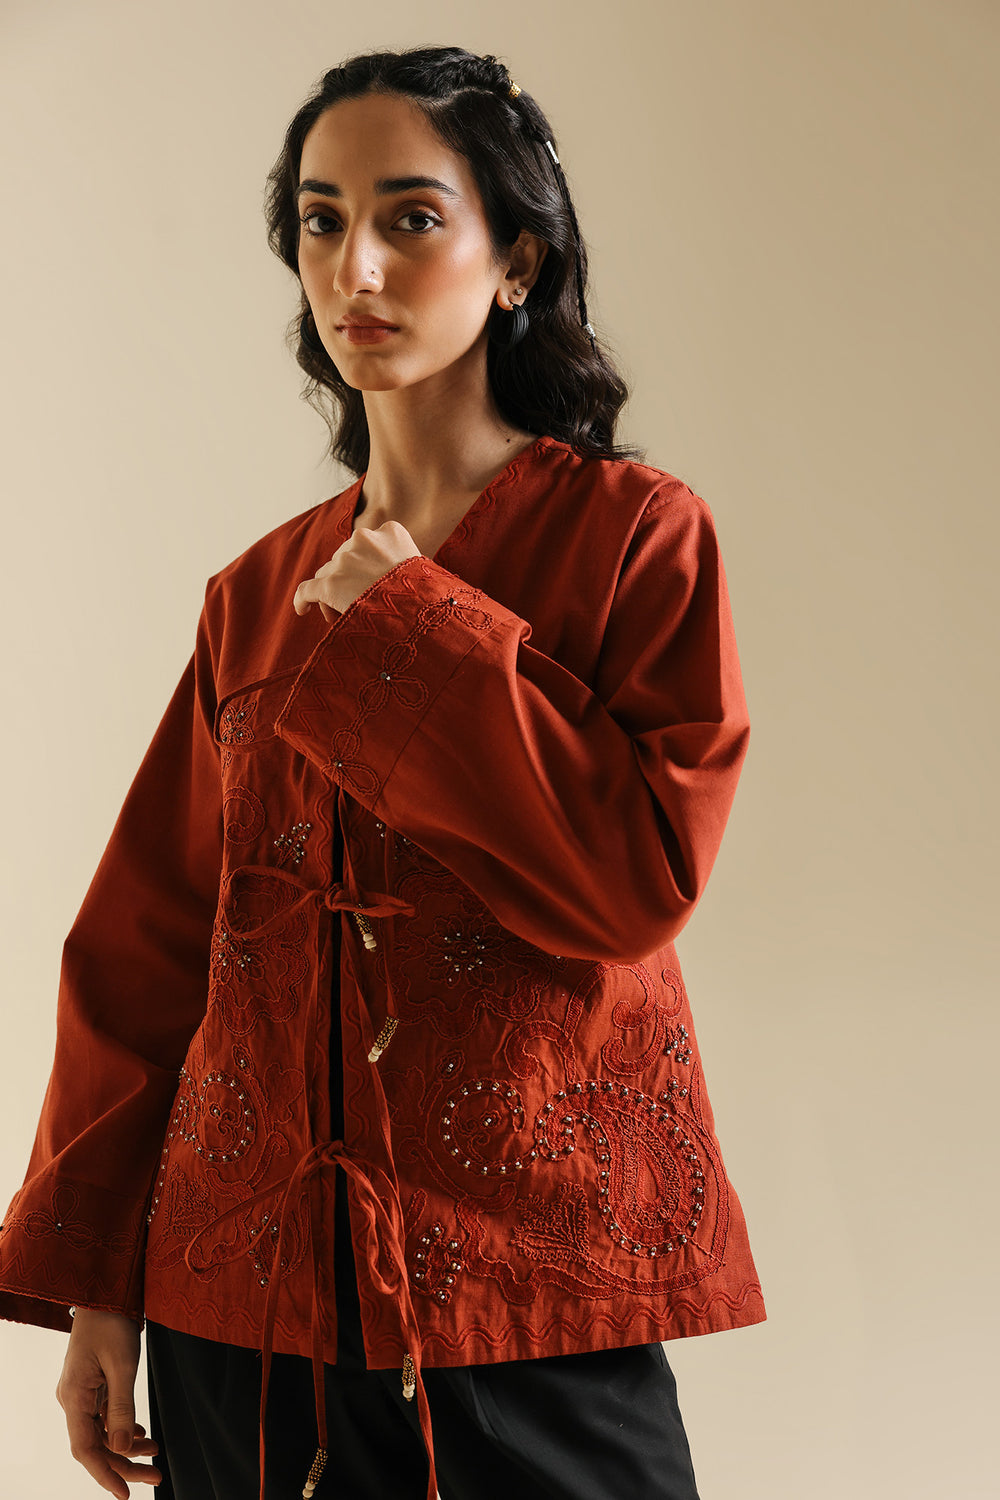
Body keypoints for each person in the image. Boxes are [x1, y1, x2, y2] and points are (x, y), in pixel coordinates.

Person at [0, 44, 766, 1500]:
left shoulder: (636, 537)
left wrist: (416, 623)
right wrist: (101, 1285)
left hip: (530, 1299)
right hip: (243, 1313)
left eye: (413, 218)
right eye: (321, 220)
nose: (356, 267)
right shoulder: (253, 595)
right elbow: (149, 945)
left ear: (516, 258)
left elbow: (636, 882)